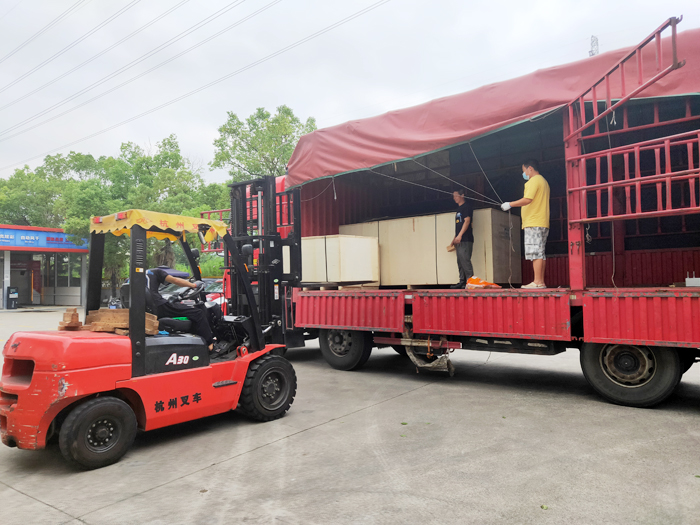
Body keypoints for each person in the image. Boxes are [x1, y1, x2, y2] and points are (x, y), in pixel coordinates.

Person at [501, 158, 550, 289]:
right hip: (542, 221)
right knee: (540, 253)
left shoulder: (533, 181)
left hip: (534, 222)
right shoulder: (543, 181)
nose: (523, 174)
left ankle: (537, 282)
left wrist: (510, 204)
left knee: (535, 253)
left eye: (524, 171)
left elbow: (527, 199)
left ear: (530, 169)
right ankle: (540, 281)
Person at [146, 268, 217, 350]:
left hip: (148, 309)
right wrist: (193, 285)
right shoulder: (156, 272)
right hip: (160, 305)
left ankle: (196, 341)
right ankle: (210, 344)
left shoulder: (138, 275)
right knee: (198, 313)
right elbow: (176, 280)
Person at [450, 189, 474, 289]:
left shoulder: (466, 207)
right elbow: (459, 226)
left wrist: (460, 236)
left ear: (462, 195)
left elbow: (467, 221)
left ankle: (470, 282)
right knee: (460, 261)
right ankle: (462, 281)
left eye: (456, 196)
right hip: (459, 239)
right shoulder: (459, 209)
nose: (454, 198)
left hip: (465, 239)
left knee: (465, 260)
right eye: (453, 196)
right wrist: (454, 238)